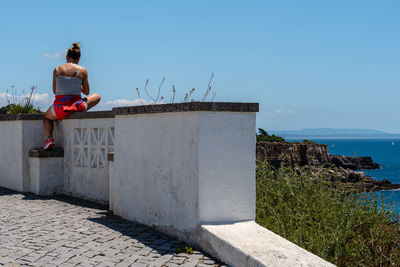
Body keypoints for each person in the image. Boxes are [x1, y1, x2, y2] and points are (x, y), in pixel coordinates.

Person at [43, 42, 101, 150]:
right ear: (78, 58)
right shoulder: (82, 71)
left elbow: (55, 91)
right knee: (97, 96)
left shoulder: (57, 70)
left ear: (66, 56)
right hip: (77, 106)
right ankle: (76, 111)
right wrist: (76, 86)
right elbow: (87, 92)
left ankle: (49, 139)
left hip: (60, 109)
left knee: (46, 117)